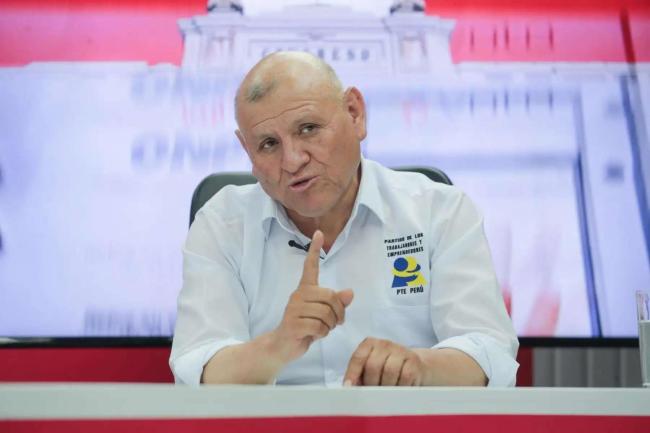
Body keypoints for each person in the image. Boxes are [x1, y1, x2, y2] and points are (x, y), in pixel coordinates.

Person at [170, 51, 519, 386]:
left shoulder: (438, 212)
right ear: (247, 150)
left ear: (354, 113)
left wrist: (420, 368)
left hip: (400, 418)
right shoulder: (222, 225)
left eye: (308, 128)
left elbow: (489, 355)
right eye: (268, 144)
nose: (292, 161)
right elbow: (197, 369)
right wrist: (277, 346)